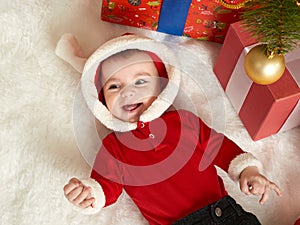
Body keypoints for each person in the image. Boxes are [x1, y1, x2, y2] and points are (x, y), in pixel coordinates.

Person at [63, 34, 282, 225]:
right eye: (114, 86)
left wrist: (248, 171)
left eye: (140, 82)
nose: (127, 92)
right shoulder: (114, 147)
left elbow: (220, 148)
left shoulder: (183, 121)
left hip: (224, 214)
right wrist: (89, 193)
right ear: (102, 101)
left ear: (160, 86)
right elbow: (106, 186)